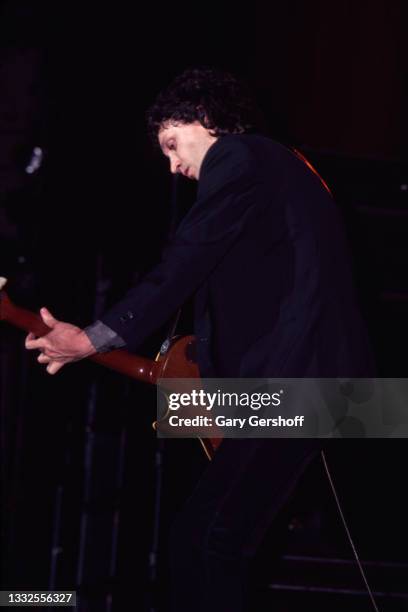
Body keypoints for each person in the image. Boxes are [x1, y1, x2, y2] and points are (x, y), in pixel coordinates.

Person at [25, 67, 374, 611]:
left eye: (171, 143)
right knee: (218, 541)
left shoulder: (240, 157)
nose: (173, 165)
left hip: (299, 382)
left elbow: (184, 263)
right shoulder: (276, 170)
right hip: (318, 386)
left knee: (202, 541)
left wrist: (93, 338)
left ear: (204, 119)